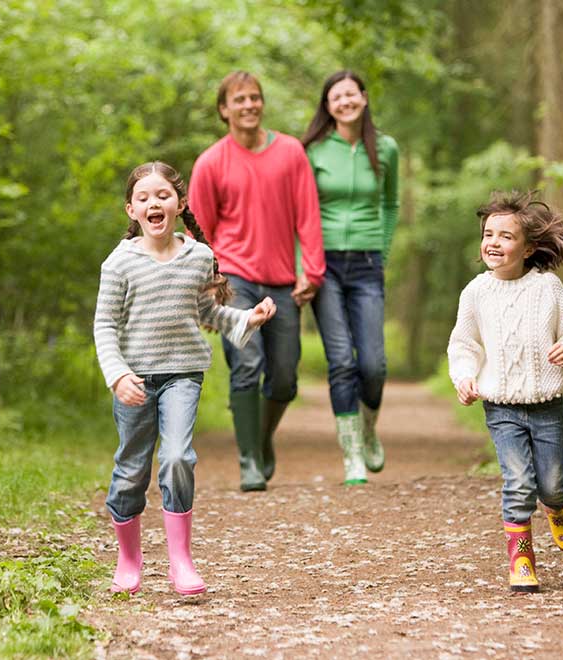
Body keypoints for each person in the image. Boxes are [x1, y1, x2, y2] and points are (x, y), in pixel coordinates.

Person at [94, 161, 277, 596]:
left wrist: (247, 319)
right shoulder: (119, 263)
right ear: (131, 210)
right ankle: (129, 559)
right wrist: (117, 375)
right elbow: (104, 325)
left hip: (183, 374)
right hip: (134, 380)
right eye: (143, 198)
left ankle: (180, 560)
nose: (153, 203)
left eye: (162, 195)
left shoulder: (199, 256)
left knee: (177, 458)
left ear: (178, 204)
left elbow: (207, 313)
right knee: (131, 472)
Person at [188, 70, 326, 492]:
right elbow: (198, 232)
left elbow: (308, 214)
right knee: (247, 365)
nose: (249, 105)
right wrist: (208, 287)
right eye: (239, 99)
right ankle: (248, 460)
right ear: (224, 109)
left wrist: (312, 271)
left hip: (283, 280)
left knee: (284, 376)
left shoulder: (290, 152)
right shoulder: (211, 162)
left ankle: (261, 439)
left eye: (255, 98)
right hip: (235, 280)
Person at [447, 190, 563, 594]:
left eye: (506, 236)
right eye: (488, 233)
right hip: (501, 406)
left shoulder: (547, 288)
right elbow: (464, 344)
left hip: (547, 405)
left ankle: (558, 506)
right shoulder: (476, 292)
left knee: (551, 484)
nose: (493, 242)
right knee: (518, 482)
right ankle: (521, 558)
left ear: (528, 248)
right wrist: (464, 376)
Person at [301, 70, 399, 485]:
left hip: (367, 263)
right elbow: (301, 211)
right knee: (341, 361)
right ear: (327, 106)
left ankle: (369, 428)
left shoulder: (387, 148)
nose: (344, 102)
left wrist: (382, 249)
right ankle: (352, 455)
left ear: (363, 97)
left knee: (373, 364)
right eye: (335, 97)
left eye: (351, 94)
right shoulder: (314, 151)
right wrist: (303, 265)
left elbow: (391, 204)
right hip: (324, 266)